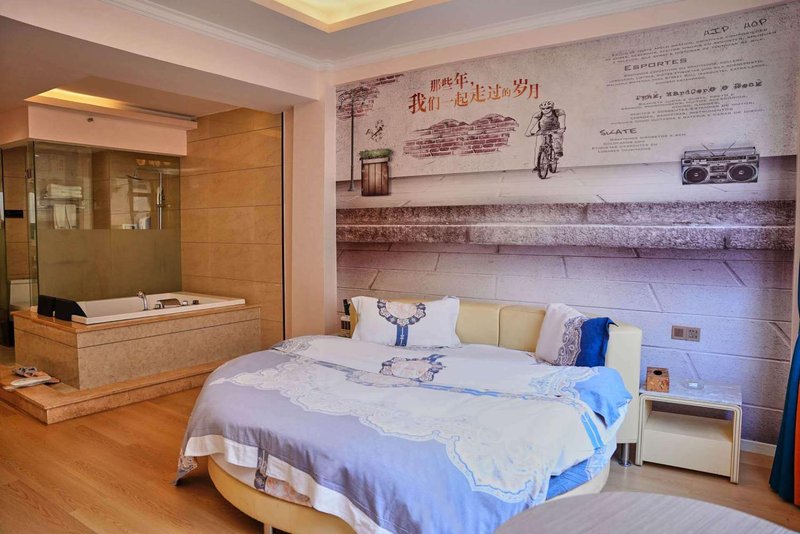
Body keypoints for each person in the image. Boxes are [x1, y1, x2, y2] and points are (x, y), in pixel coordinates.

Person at [525, 101, 566, 171]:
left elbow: (562, 121)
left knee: (557, 138)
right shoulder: (538, 115)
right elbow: (532, 123)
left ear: (552, 108)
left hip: (555, 130)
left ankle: (558, 152)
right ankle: (537, 165)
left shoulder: (558, 112)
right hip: (543, 131)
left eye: (548, 108)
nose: (545, 110)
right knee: (539, 145)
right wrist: (528, 132)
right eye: (543, 108)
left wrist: (562, 128)